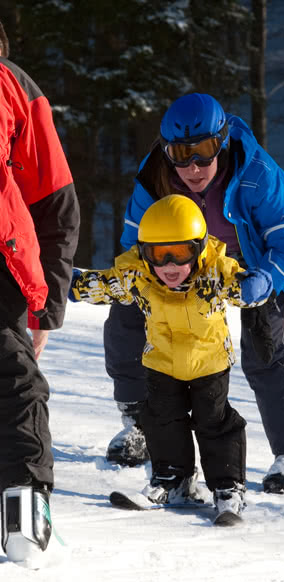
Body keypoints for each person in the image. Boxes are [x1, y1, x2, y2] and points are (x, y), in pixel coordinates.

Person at [104, 92, 284, 495]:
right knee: (128, 319)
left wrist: (267, 278)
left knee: (264, 348)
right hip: (178, 262)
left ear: (221, 141)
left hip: (250, 262)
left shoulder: (257, 173)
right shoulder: (154, 176)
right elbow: (135, 243)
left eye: (204, 152)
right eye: (181, 153)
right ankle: (138, 424)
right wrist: (130, 281)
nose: (193, 167)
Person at [70, 194, 273, 522]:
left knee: (214, 422)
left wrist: (258, 286)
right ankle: (173, 481)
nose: (169, 266)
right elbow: (104, 284)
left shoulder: (214, 270)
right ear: (144, 253)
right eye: (157, 255)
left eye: (179, 254)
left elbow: (244, 288)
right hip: (161, 362)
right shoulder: (138, 275)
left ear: (198, 247)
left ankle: (227, 487)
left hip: (208, 363)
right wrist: (70, 282)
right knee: (161, 418)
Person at [0, 21, 80, 564]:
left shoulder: (14, 89)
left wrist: (46, 305)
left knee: (13, 377)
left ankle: (25, 509)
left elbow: (54, 200)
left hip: (3, 261)